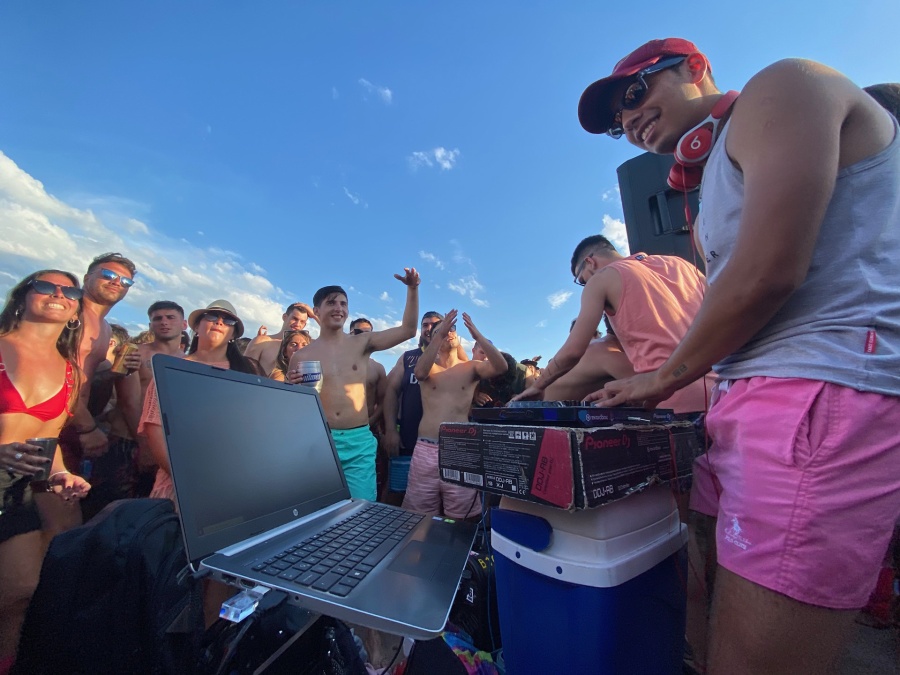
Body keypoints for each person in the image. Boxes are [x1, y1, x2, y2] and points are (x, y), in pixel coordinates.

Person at [578, 38, 900, 673]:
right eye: (619, 123)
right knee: (714, 616)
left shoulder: (783, 87)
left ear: (695, 67)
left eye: (636, 93)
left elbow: (768, 271)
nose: (630, 120)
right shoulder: (709, 192)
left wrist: (659, 378)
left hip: (816, 390)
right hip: (745, 400)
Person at [0, 270, 91, 669]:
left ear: (75, 310)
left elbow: (48, 441)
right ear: (22, 297)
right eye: (46, 286)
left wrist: (60, 475)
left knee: (22, 590)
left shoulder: (72, 372)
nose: (59, 294)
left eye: (69, 291)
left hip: (19, 489)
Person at [287, 271, 419, 501]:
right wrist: (291, 387)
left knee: (360, 510)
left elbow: (407, 330)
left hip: (358, 442)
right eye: (331, 303)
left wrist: (412, 289)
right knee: (320, 509)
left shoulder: (362, 343)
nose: (339, 308)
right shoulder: (302, 356)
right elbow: (295, 405)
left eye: (343, 303)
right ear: (316, 311)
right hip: (319, 441)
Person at [138, 300, 261, 503]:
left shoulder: (249, 370)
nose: (219, 322)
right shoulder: (170, 369)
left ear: (233, 334)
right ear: (196, 327)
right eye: (212, 316)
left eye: (228, 320)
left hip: (237, 481)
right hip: (182, 484)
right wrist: (187, 480)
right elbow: (155, 428)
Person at [402, 310, 507, 519]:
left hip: (460, 448)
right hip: (426, 449)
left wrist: (477, 336)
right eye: (440, 332)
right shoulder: (428, 367)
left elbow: (500, 366)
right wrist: (437, 335)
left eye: (451, 329)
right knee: (419, 515)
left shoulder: (471, 367)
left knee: (463, 515)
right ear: (432, 340)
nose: (447, 333)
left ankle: (461, 550)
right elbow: (419, 373)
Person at [62, 253, 138, 474]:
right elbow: (58, 375)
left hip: (71, 426)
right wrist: (87, 428)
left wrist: (116, 373)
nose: (117, 282)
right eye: (108, 274)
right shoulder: (70, 312)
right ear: (86, 278)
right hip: (40, 422)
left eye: (126, 281)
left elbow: (85, 384)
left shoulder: (105, 328)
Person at [244, 302, 316, 375]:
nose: (297, 324)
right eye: (294, 319)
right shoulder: (262, 342)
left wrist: (314, 316)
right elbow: (244, 372)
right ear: (285, 317)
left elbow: (328, 343)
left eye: (302, 321)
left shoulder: (307, 345)